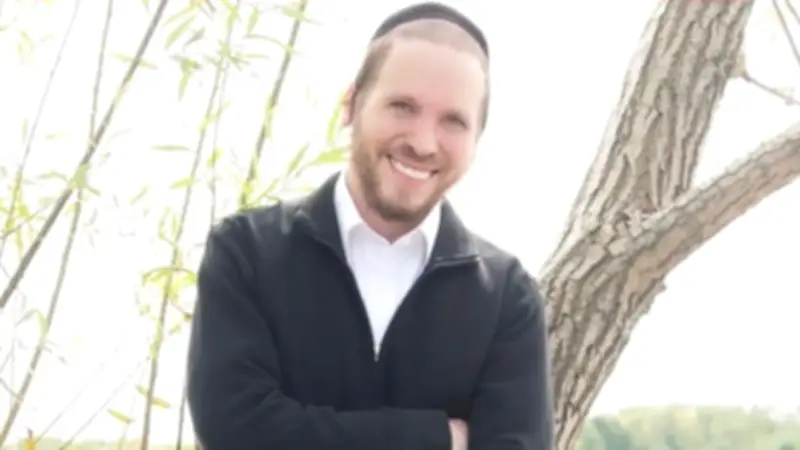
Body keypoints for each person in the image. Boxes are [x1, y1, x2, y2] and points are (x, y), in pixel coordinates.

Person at [186, 2, 554, 449]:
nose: (423, 142)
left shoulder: (507, 299)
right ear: (351, 105)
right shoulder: (246, 253)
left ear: (477, 140)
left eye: (454, 121)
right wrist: (437, 438)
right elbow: (235, 431)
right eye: (402, 106)